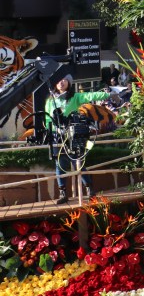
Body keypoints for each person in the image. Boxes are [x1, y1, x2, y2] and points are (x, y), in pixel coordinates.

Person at [44, 74, 111, 203]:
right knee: (60, 164)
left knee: (79, 162)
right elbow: (47, 119)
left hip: (73, 134)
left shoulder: (74, 97)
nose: (61, 82)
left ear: (69, 83)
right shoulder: (50, 100)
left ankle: (90, 190)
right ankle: (63, 193)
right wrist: (54, 129)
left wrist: (106, 94)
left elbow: (89, 96)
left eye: (64, 80)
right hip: (58, 136)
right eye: (59, 79)